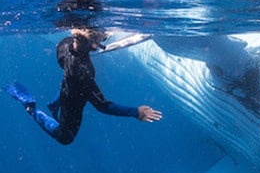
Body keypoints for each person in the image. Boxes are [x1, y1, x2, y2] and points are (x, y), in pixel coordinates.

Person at [5, 28, 162, 145]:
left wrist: (84, 38)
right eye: (98, 41)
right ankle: (31, 108)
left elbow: (70, 60)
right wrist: (135, 112)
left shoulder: (64, 45)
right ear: (91, 45)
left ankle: (54, 103)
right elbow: (102, 106)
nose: (99, 45)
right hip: (72, 100)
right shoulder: (83, 74)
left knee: (69, 80)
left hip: (70, 75)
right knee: (65, 138)